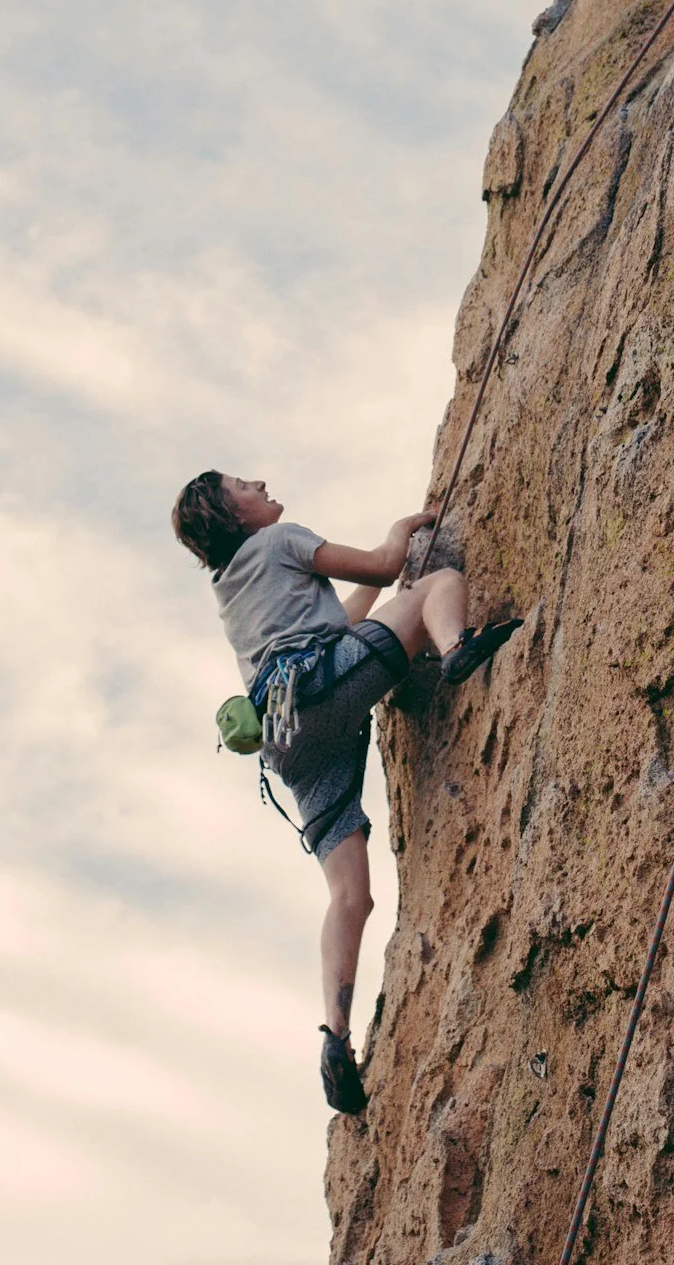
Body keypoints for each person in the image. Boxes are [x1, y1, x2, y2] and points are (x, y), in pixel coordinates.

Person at [171, 470, 520, 1114]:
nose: (260, 481)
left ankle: (335, 1036)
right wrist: (404, 533)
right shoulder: (280, 542)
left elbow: (342, 629)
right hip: (320, 694)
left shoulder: (233, 588)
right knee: (438, 585)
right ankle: (455, 649)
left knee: (349, 895)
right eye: (243, 484)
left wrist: (383, 594)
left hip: (286, 735)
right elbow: (389, 569)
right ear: (235, 515)